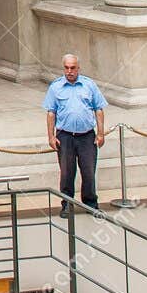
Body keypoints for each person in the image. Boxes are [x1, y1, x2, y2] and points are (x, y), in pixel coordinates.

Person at [44, 53, 106, 215]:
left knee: (88, 172)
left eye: (73, 68)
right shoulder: (56, 87)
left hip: (86, 136)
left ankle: (91, 204)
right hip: (65, 136)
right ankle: (67, 204)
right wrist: (51, 136)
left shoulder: (89, 85)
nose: (69, 71)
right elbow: (51, 113)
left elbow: (98, 109)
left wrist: (100, 134)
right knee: (66, 172)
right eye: (66, 68)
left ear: (78, 68)